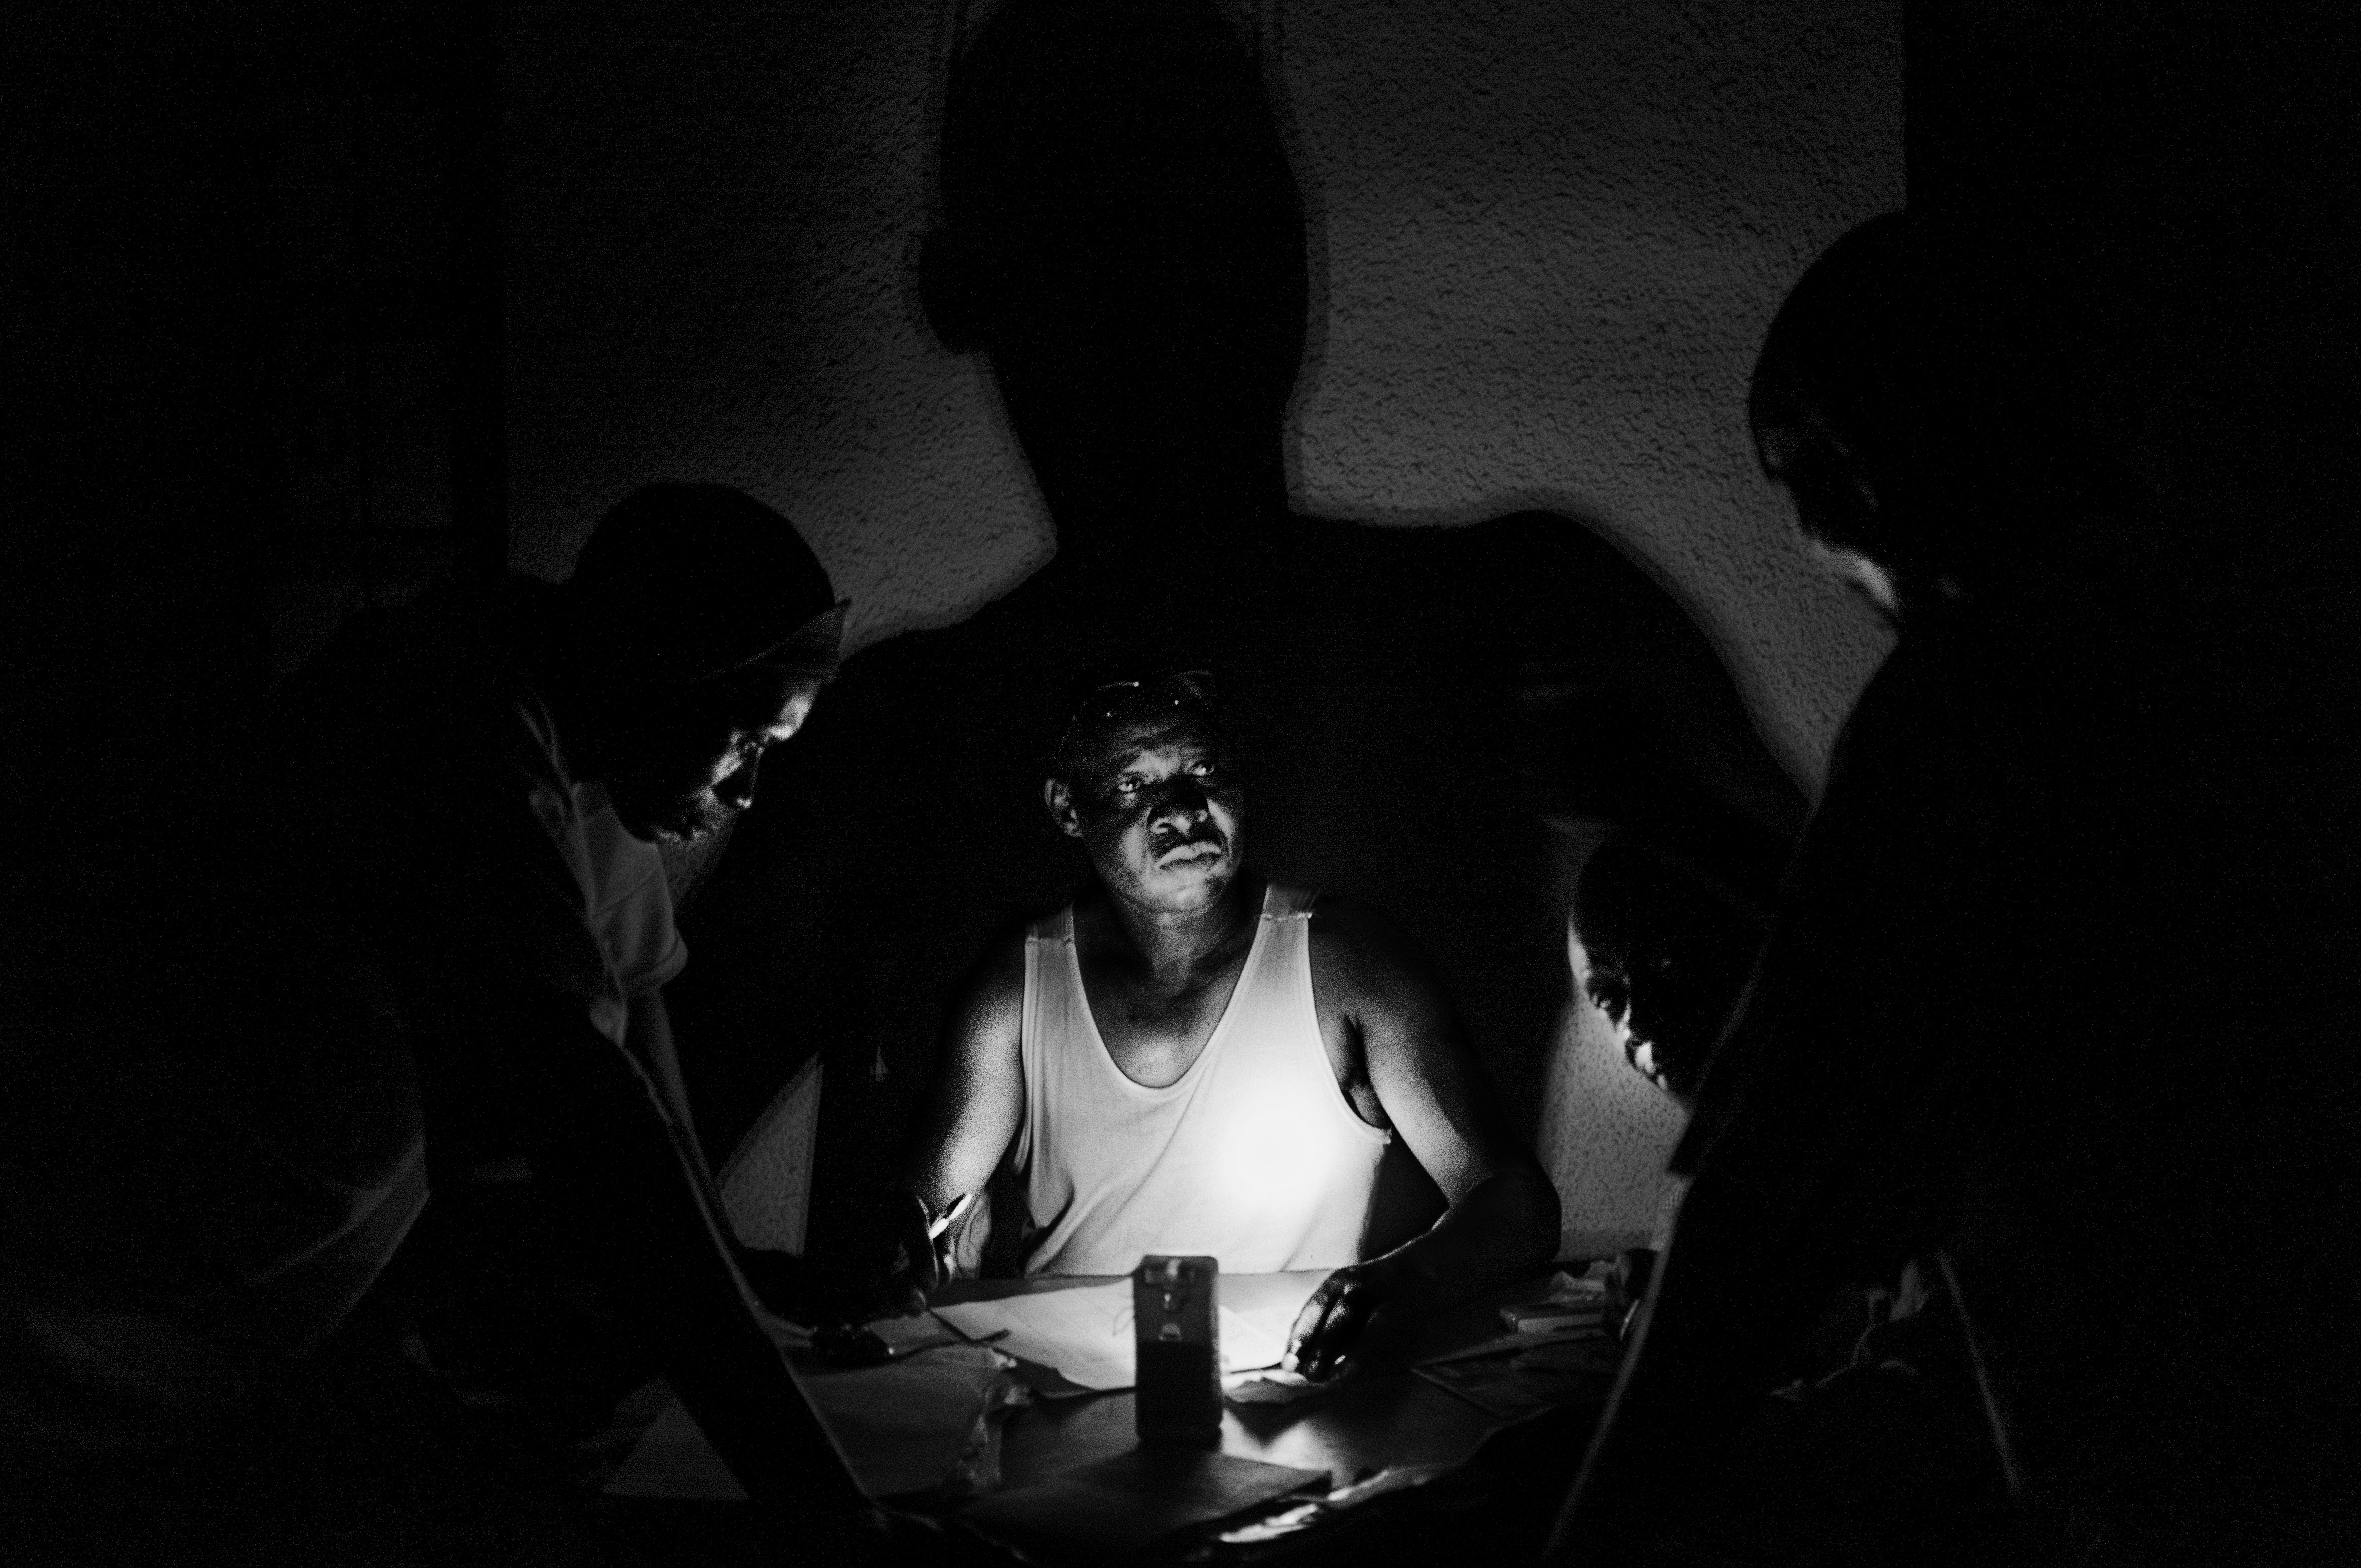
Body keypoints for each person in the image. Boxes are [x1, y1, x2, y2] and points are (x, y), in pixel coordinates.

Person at [1549, 215, 2361, 1565]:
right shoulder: (2269, 638)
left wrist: (1597, 1525)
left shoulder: (1960, 713)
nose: (1807, 536)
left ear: (1861, 465)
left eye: (1794, 477)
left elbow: (1769, 1191)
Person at [1, 484, 881, 1543]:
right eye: (746, 740)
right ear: (664, 671)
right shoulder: (449, 723)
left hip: (257, 1343)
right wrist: (834, 1514)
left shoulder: (599, 771)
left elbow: (644, 1083)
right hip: (77, 1333)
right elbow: (599, 1129)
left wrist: (731, 1277)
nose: (746, 792)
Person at [897, 670, 1560, 1378]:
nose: (1183, 812)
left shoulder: (1347, 963)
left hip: (1282, 1388)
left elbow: (1515, 1203)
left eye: (1205, 772)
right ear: (1068, 808)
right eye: (1133, 783)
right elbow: (921, 1224)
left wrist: (1395, 1282)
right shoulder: (1020, 985)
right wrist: (901, 1254)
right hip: (1065, 1391)